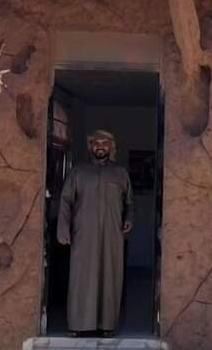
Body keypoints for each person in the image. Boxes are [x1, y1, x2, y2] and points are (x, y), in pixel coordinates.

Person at [57, 129, 134, 337]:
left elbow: (129, 202)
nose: (100, 146)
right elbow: (65, 201)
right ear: (90, 146)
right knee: (81, 277)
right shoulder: (78, 172)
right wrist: (63, 229)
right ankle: (78, 325)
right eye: (96, 143)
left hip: (112, 234)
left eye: (105, 143)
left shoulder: (120, 173)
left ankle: (107, 325)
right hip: (83, 233)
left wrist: (129, 218)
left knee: (110, 276)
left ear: (111, 146)